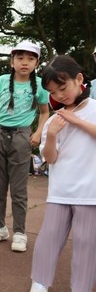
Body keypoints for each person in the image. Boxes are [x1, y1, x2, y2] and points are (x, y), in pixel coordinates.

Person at [30, 55, 96, 292]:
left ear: (79, 79)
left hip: (90, 193)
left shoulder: (93, 109)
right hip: (60, 191)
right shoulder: (53, 121)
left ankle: (82, 287)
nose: (59, 95)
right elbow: (49, 158)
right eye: (53, 92)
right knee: (49, 239)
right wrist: (53, 134)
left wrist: (74, 120)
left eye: (63, 87)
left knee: (87, 244)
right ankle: (39, 284)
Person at [0, 41, 49, 252]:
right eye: (20, 58)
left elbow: (44, 112)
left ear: (37, 63)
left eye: (30, 59)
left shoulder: (40, 85)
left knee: (19, 190)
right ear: (12, 61)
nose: (25, 63)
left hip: (22, 136)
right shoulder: (3, 80)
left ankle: (20, 232)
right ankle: (0, 227)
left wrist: (38, 132)